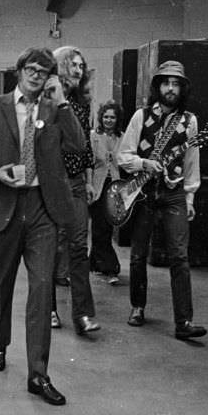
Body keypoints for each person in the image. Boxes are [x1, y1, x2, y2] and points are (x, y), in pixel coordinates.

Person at [0, 47, 84, 406]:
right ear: (19, 71)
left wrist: (62, 103)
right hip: (4, 205)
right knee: (1, 284)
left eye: (43, 71)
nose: (35, 76)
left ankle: (38, 374)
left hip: (42, 210)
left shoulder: (53, 108)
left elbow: (78, 145)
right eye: (30, 69)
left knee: (42, 288)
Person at [116, 60, 208, 340]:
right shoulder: (140, 117)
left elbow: (192, 160)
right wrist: (145, 164)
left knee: (180, 256)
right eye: (166, 83)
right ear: (158, 86)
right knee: (138, 255)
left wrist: (190, 197)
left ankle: (184, 322)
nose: (171, 88)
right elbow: (123, 156)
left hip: (174, 193)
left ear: (182, 88)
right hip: (143, 193)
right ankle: (137, 307)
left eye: (176, 83)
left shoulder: (189, 121)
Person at [49, 45, 100, 336]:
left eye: (82, 66)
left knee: (79, 246)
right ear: (61, 66)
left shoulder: (82, 103)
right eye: (74, 65)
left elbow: (86, 146)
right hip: (54, 183)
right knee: (54, 247)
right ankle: (50, 309)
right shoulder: (47, 100)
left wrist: (90, 179)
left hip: (78, 182)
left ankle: (82, 314)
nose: (80, 70)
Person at [88, 101, 124, 285]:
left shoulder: (122, 138)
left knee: (106, 227)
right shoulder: (93, 136)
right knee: (99, 226)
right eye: (106, 117)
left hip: (115, 187)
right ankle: (110, 267)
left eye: (112, 117)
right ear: (101, 118)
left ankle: (94, 263)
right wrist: (88, 185)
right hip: (97, 186)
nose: (109, 120)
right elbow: (89, 163)